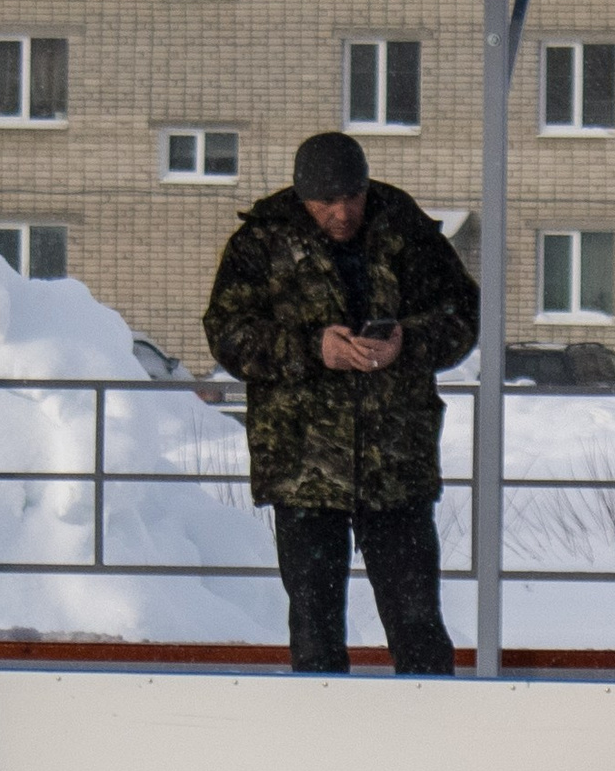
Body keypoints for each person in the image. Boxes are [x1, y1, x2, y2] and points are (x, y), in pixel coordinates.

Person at [203, 131, 479, 675]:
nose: (342, 212)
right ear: (303, 197)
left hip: (394, 464)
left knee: (418, 624)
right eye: (327, 202)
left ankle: (433, 739)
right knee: (314, 627)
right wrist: (314, 348)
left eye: (351, 198)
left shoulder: (405, 229)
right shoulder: (262, 240)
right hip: (304, 467)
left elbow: (461, 316)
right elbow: (229, 334)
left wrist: (407, 342)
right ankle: (318, 747)